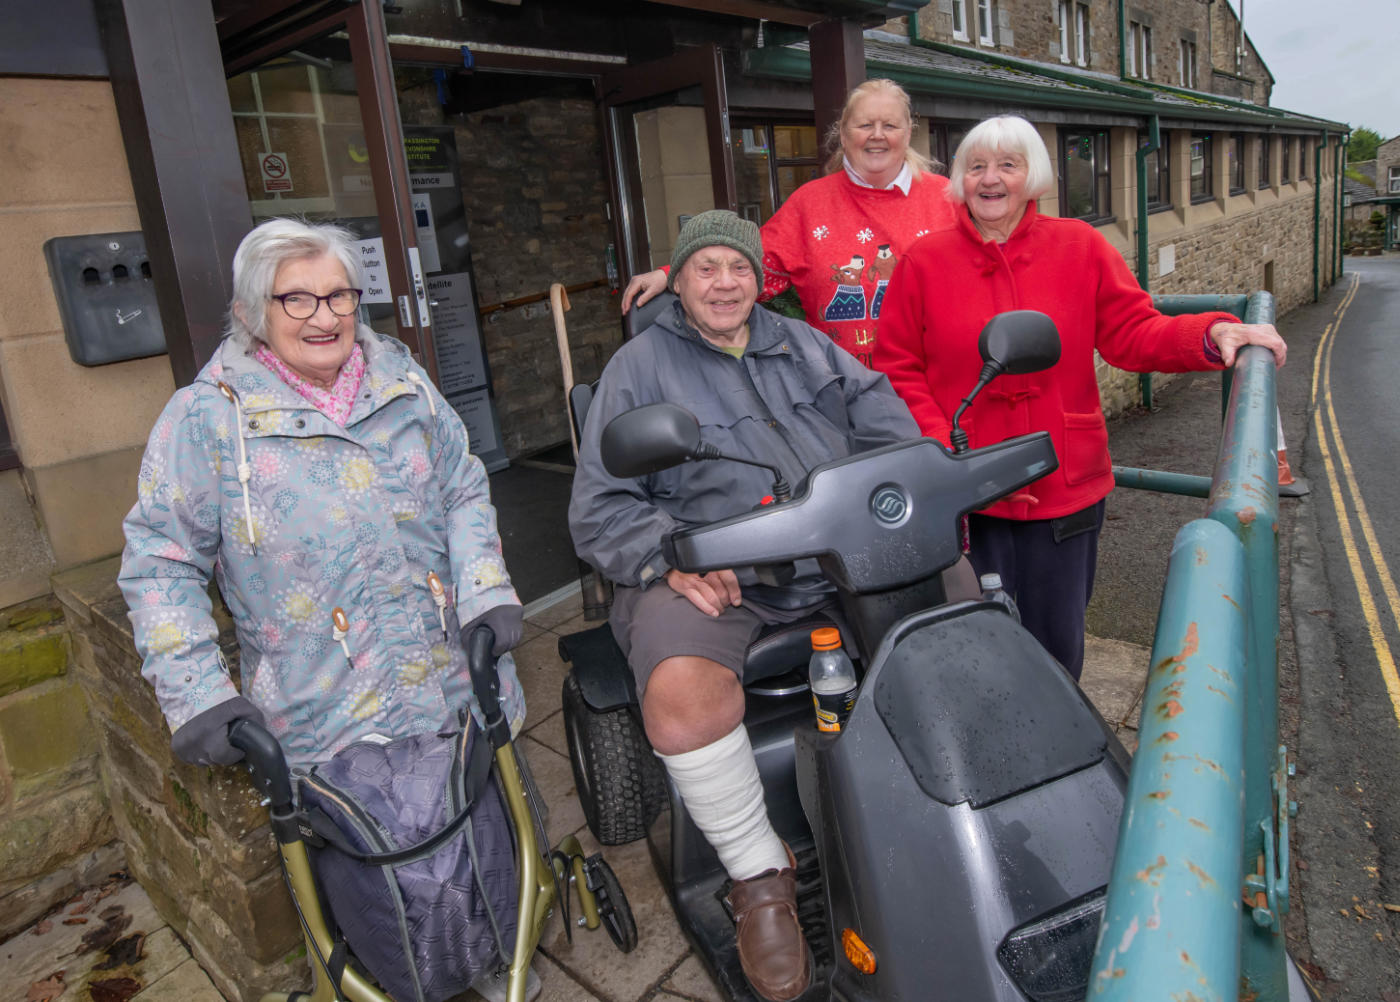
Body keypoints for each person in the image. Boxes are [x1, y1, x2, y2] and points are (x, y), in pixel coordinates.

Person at [119, 218, 537, 999]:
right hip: (328, 706)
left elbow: (462, 487)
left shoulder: (402, 383)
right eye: (296, 298)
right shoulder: (208, 419)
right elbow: (159, 562)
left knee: (482, 829)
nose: (323, 315)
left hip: (451, 677)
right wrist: (200, 694)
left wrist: (486, 590)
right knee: (374, 879)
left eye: (338, 293)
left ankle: (495, 954)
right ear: (254, 313)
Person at [569, 210, 920, 1002]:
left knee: (953, 611)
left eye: (738, 267)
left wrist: (898, 506)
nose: (724, 283)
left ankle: (938, 802)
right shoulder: (639, 366)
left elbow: (889, 435)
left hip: (834, 552)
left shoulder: (809, 345)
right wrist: (667, 555)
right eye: (706, 268)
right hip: (715, 572)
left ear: (760, 279)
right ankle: (760, 876)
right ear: (680, 279)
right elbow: (599, 509)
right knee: (683, 696)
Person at [874, 115, 1288, 681]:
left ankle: (1058, 758)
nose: (989, 179)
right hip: (965, 490)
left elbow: (1134, 333)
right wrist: (941, 446)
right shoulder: (925, 262)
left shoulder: (1080, 246)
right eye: (976, 167)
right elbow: (899, 365)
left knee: (1057, 642)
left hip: (1062, 486)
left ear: (1033, 177)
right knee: (972, 643)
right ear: (960, 180)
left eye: (1007, 165)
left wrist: (1210, 333)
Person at [621, 78, 957, 367]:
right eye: (865, 125)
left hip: (939, 386)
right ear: (842, 133)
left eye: (890, 125)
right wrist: (672, 274)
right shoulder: (809, 204)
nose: (877, 135)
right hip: (846, 392)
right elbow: (751, 266)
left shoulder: (947, 198)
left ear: (908, 132)